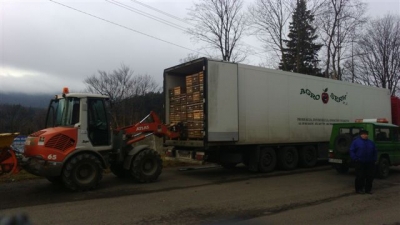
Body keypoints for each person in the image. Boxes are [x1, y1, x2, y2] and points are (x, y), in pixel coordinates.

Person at [350, 130, 377, 194]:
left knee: (370, 176)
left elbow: (375, 151)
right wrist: (355, 158)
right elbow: (351, 150)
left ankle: (368, 190)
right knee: (360, 176)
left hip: (369, 162)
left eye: (366, 134)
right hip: (359, 161)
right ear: (360, 135)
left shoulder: (371, 142)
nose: (365, 135)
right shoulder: (356, 142)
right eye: (363, 134)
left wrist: (374, 159)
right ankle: (359, 189)